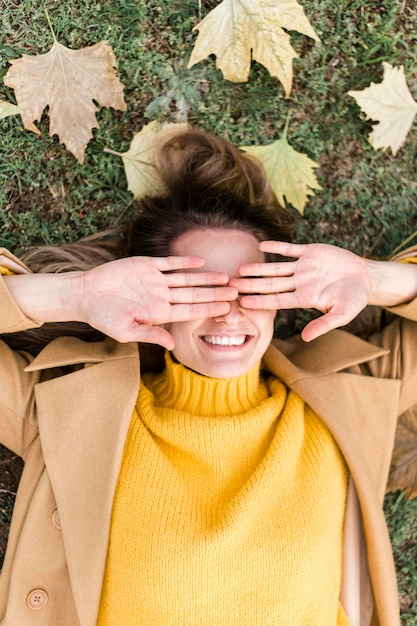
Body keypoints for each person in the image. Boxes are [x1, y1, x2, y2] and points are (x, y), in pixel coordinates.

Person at [0, 129, 416, 626]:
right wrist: (76, 295)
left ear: (282, 298)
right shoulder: (64, 410)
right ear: (152, 308)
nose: (228, 315)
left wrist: (372, 280)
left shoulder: (348, 393)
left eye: (250, 290)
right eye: (198, 294)